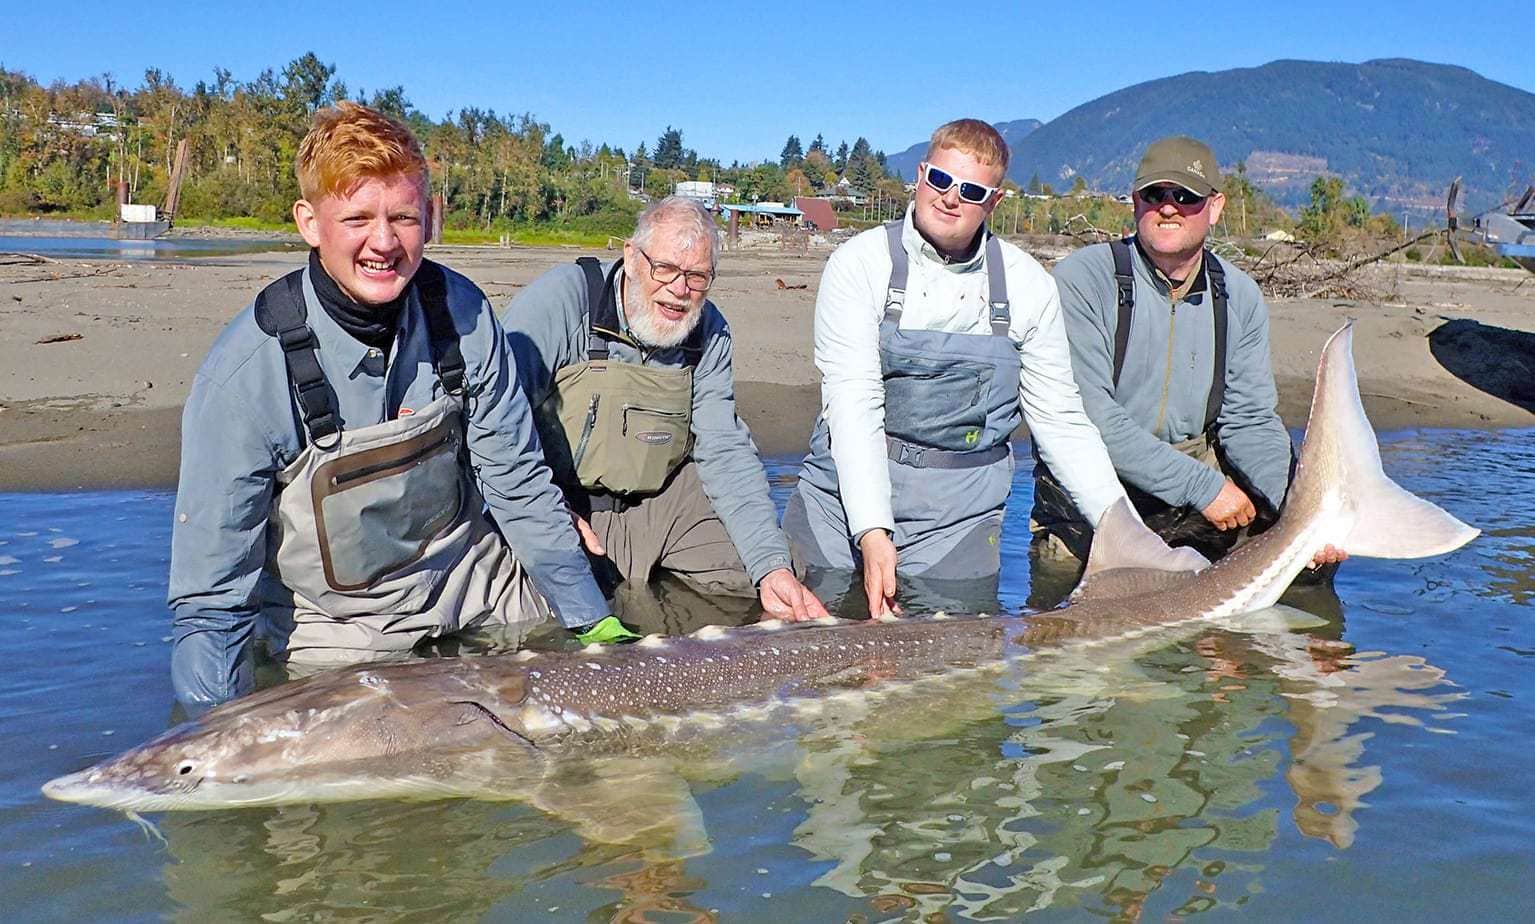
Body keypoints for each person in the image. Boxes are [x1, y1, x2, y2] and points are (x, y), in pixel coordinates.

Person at [168, 103, 615, 709]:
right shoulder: (244, 377)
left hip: (470, 577)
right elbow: (213, 597)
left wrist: (595, 628)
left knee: (596, 654)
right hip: (339, 625)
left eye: (403, 217)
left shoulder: (465, 313)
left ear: (429, 218)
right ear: (309, 222)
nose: (384, 243)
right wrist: (207, 733)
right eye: (357, 218)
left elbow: (517, 483)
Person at [782, 119, 1129, 618]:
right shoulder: (859, 264)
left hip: (959, 517)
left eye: (970, 190)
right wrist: (873, 530)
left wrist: (1121, 527)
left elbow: (1060, 422)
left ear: (995, 202)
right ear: (921, 175)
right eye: (940, 180)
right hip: (838, 503)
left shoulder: (1030, 286)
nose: (949, 198)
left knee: (959, 683)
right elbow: (853, 404)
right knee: (804, 659)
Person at [501, 196, 828, 627]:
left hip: (662, 507)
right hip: (561, 505)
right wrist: (548, 510)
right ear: (632, 258)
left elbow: (725, 452)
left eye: (697, 276)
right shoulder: (563, 299)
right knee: (523, 615)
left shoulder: (709, 331)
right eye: (667, 270)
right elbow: (496, 426)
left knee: (780, 571)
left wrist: (772, 566)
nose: (680, 290)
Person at [1033, 135, 1345, 578]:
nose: (1168, 206)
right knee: (1069, 616)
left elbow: (1249, 421)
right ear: (1135, 202)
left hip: (1198, 490)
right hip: (1098, 492)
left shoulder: (1239, 296)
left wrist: (1302, 508)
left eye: (1186, 196)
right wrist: (1203, 487)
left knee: (1307, 565)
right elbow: (1090, 417)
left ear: (1214, 207)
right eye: (1154, 194)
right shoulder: (1082, 279)